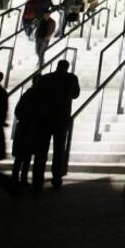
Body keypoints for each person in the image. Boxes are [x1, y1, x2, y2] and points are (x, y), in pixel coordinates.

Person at [32, 60, 80, 190]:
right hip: (61, 118)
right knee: (59, 150)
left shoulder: (46, 78)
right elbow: (76, 95)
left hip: (45, 118)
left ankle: (37, 179)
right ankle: (57, 177)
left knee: (41, 150)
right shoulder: (71, 78)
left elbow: (38, 94)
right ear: (67, 67)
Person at [12, 76, 41, 186]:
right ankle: (20, 178)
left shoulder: (28, 94)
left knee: (22, 156)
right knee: (24, 156)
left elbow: (18, 110)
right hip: (28, 128)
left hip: (26, 127)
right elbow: (19, 110)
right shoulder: (34, 95)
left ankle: (18, 177)